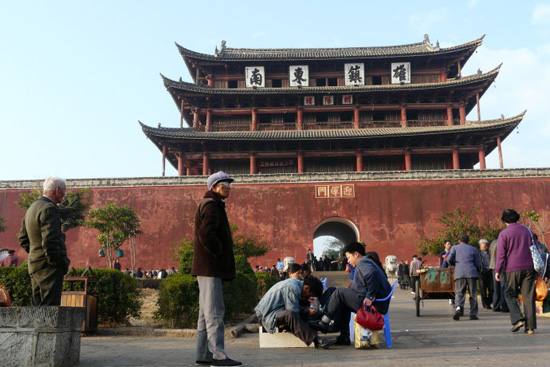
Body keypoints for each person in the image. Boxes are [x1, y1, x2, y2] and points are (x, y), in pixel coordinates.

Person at [192, 171, 241, 367]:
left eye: (229, 183)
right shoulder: (211, 205)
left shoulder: (213, 204)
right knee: (214, 313)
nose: (228, 187)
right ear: (213, 187)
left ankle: (203, 355)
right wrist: (219, 252)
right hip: (210, 267)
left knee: (205, 315)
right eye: (223, 184)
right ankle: (218, 356)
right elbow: (207, 234)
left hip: (206, 268)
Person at [318, 242, 391, 346]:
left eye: (349, 257)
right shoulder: (366, 262)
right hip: (376, 302)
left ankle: (324, 322)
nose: (348, 261)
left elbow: (371, 274)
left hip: (375, 305)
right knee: (341, 299)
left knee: (339, 292)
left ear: (356, 254)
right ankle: (343, 337)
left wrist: (370, 295)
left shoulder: (363, 262)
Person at [17, 177, 70, 306]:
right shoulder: (49, 209)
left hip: (35, 265)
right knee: (49, 309)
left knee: (38, 308)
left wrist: (36, 253)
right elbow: (50, 240)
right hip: (48, 267)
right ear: (57, 190)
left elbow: (22, 238)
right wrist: (54, 261)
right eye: (64, 191)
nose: (64, 195)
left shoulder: (32, 208)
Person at [255, 276, 335, 349]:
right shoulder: (293, 287)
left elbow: (293, 306)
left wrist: (306, 310)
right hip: (266, 316)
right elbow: (293, 311)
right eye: (310, 295)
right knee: (290, 315)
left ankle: (316, 326)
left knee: (303, 309)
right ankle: (316, 340)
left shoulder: (295, 284)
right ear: (307, 288)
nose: (308, 297)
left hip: (276, 312)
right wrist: (306, 312)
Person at [495, 209, 537, 334]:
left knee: (509, 294)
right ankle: (530, 328)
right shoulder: (528, 231)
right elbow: (536, 243)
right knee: (528, 297)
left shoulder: (504, 233)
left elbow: (501, 254)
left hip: (512, 268)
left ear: (504, 220)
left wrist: (498, 270)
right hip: (529, 267)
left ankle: (518, 318)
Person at [446, 234, 480, 321]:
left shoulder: (454, 248)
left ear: (459, 241)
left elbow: (449, 259)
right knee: (473, 294)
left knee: (459, 292)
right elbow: (478, 263)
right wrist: (478, 272)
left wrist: (455, 264)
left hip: (459, 273)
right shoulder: (473, 249)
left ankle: (458, 308)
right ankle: (473, 314)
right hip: (471, 273)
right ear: (468, 241)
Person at [478, 239, 493, 310]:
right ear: (480, 245)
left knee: (492, 289)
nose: (486, 246)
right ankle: (485, 304)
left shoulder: (489, 253)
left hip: (490, 272)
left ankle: (489, 302)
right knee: (483, 290)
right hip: (482, 272)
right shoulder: (477, 253)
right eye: (485, 244)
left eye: (487, 244)